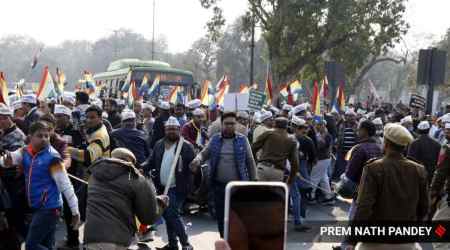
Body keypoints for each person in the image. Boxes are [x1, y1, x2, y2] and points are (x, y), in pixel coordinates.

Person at [1, 121, 80, 250]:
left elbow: (66, 186)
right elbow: (9, 159)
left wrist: (75, 211)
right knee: (45, 245)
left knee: (31, 246)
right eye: (40, 136)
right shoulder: (25, 151)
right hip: (38, 207)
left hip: (49, 208)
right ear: (30, 137)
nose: (44, 139)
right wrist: (5, 162)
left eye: (46, 136)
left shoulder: (52, 158)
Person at [352, 123, 429, 250]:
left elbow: (364, 207)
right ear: (404, 146)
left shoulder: (373, 168)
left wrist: (352, 239)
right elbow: (424, 207)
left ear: (386, 143)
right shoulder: (418, 169)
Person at [190, 112, 257, 237]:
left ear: (236, 125)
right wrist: (197, 160)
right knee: (221, 218)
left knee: (237, 217)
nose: (229, 126)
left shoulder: (243, 140)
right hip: (218, 186)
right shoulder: (215, 139)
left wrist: (253, 182)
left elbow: (250, 161)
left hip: (238, 188)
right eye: (226, 123)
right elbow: (204, 153)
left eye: (232, 123)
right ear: (221, 125)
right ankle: (224, 241)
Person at [84, 148, 165, 250]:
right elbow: (148, 218)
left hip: (92, 237)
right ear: (130, 162)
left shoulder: (94, 176)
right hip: (118, 240)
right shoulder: (136, 179)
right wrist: (161, 203)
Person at [145, 116, 195, 250]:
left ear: (179, 129)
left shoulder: (186, 146)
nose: (171, 131)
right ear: (165, 130)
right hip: (162, 187)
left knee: (170, 213)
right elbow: (150, 162)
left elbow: (194, 167)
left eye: (174, 129)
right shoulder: (159, 144)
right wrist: (140, 167)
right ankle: (173, 245)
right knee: (168, 215)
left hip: (178, 188)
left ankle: (185, 243)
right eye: (168, 129)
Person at [54, 104, 86, 249]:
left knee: (71, 209)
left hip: (72, 175)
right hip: (58, 174)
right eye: (56, 116)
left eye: (60, 116)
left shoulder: (75, 132)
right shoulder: (55, 132)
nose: (57, 119)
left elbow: (79, 154)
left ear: (67, 117)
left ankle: (73, 240)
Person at [0, 104, 27, 248]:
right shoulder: (3, 131)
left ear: (5, 118)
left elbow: (10, 163)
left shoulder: (18, 136)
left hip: (13, 184)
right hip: (4, 185)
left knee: (15, 219)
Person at [252, 117, 299, 185]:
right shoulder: (292, 141)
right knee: (273, 195)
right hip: (278, 172)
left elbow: (253, 148)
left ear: (274, 124)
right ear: (286, 127)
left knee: (259, 194)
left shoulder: (268, 134)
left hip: (263, 169)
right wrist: (290, 181)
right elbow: (295, 163)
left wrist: (256, 163)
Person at [308, 118, 335, 205]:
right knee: (324, 178)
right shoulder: (319, 134)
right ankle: (328, 197)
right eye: (317, 125)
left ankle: (311, 196)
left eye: (320, 125)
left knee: (314, 178)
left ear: (324, 125)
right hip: (322, 159)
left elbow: (320, 145)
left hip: (322, 159)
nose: (318, 126)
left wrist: (316, 136)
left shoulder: (327, 135)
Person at [335, 110, 358, 180]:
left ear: (354, 117)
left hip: (353, 152)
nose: (349, 117)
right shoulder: (341, 125)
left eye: (351, 116)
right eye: (348, 116)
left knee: (350, 169)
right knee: (341, 169)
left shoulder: (358, 125)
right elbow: (337, 134)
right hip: (342, 151)